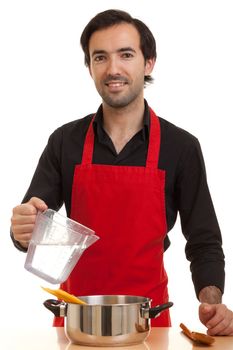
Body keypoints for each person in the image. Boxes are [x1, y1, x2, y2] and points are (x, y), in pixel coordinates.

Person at [10, 9, 233, 335]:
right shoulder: (64, 142)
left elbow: (204, 241)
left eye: (126, 55)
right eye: (100, 57)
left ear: (148, 63)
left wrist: (212, 302)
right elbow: (32, 223)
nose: (113, 69)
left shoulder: (181, 147)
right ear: (89, 67)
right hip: (77, 322)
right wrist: (22, 229)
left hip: (149, 323)